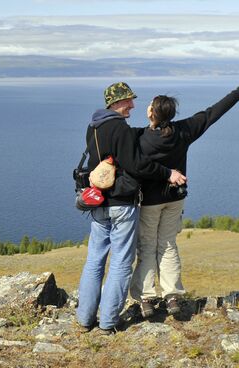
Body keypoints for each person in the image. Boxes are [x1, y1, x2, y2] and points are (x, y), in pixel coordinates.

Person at [130, 75, 239, 318]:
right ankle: (172, 296)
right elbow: (214, 112)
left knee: (147, 247)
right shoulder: (183, 131)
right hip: (175, 199)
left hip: (149, 201)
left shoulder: (140, 139)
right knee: (168, 244)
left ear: (152, 114)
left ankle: (146, 299)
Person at [76, 82, 186, 334]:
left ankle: (84, 319)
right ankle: (107, 322)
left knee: (94, 260)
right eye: (128, 101)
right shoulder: (120, 128)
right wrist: (167, 172)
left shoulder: (93, 127)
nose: (132, 105)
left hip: (98, 203)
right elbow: (136, 165)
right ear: (115, 103)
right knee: (121, 262)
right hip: (122, 205)